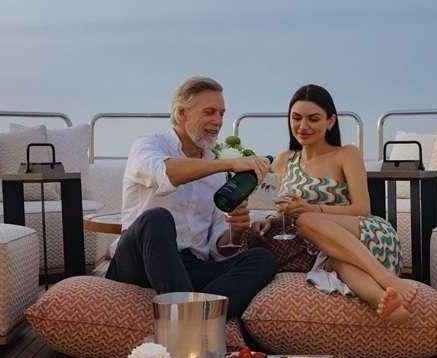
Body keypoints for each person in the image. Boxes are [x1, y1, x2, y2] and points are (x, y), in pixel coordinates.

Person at [106, 76, 277, 320]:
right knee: (156, 218)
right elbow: (164, 173)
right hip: (138, 261)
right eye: (209, 112)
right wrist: (228, 163)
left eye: (221, 113)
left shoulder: (216, 174)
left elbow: (216, 248)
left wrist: (236, 232)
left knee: (262, 260)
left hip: (189, 265)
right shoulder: (148, 146)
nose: (217, 121)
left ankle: (194, 315)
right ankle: (195, 321)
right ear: (181, 114)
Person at [253, 84, 415, 319]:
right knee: (337, 263)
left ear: (330, 121)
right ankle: (386, 303)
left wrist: (313, 209)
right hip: (326, 247)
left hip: (366, 235)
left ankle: (386, 278)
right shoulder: (284, 160)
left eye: (313, 119)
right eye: (296, 118)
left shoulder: (346, 154)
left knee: (306, 220)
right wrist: (271, 219)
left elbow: (363, 209)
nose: (303, 126)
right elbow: (284, 205)